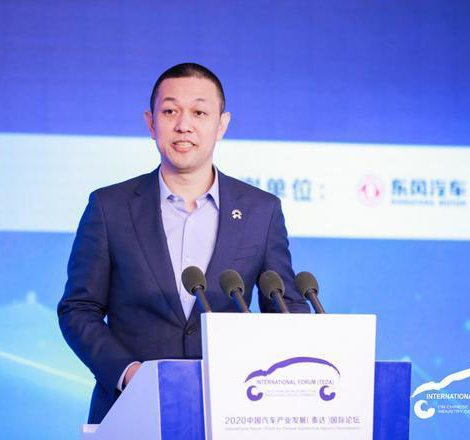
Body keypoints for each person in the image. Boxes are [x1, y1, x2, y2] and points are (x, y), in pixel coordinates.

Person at [57, 62, 310, 424]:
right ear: (151, 122)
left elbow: (284, 305)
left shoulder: (261, 211)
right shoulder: (109, 207)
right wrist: (128, 373)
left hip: (232, 413)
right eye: (170, 111)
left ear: (221, 124)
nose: (183, 125)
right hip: (131, 412)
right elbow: (79, 309)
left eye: (199, 112)